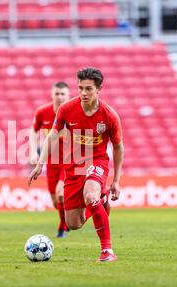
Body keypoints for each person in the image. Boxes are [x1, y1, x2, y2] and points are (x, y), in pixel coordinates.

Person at [28, 67, 124, 262]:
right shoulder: (66, 109)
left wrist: (116, 180)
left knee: (89, 194)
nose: (83, 93)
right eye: (80, 88)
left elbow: (118, 148)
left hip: (97, 161)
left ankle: (107, 251)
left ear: (99, 89)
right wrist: (40, 163)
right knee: (74, 223)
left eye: (88, 89)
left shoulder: (110, 116)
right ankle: (101, 198)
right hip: (73, 165)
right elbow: (52, 136)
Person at [29, 82, 70, 238]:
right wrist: (34, 152)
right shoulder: (42, 112)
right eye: (57, 94)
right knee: (55, 201)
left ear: (68, 95)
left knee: (60, 194)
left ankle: (62, 228)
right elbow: (33, 131)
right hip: (52, 163)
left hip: (69, 161)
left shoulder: (74, 112)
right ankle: (67, 220)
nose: (60, 97)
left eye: (63, 94)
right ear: (52, 95)